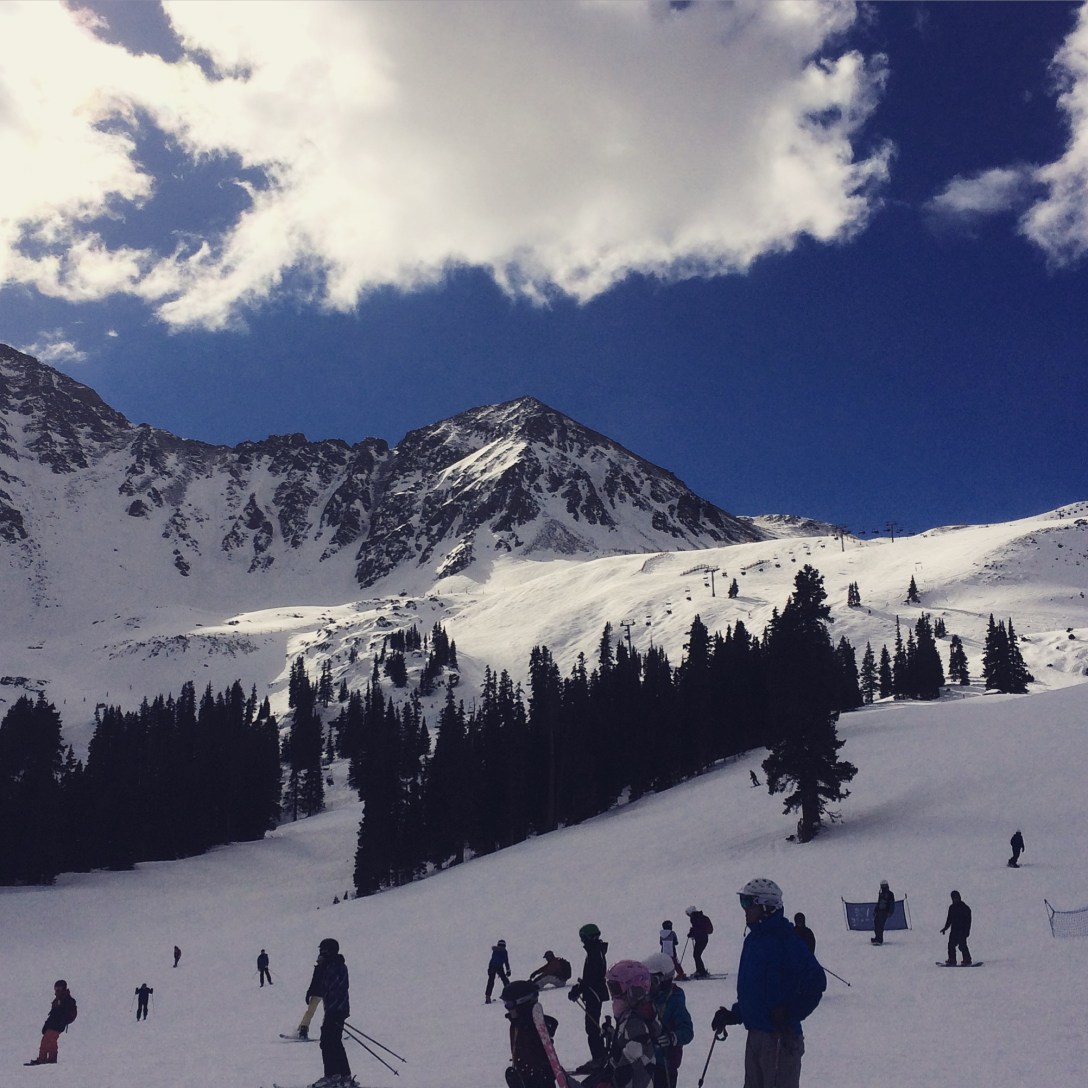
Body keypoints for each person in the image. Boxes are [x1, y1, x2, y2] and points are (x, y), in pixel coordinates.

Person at [711, 878, 826, 1088]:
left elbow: (816, 980)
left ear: (766, 906)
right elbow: (756, 989)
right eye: (743, 902)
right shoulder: (752, 941)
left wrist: (790, 1013)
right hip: (756, 1035)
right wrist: (735, 1014)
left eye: (748, 903)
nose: (744, 909)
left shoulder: (786, 940)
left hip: (780, 1036)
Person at [601, 960, 659, 1088]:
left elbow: (629, 1063)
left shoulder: (636, 1023)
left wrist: (611, 1084)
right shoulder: (629, 1017)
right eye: (610, 988)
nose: (613, 996)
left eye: (615, 988)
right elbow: (621, 1048)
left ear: (634, 990)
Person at [307, 937, 352, 1088]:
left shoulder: (333, 966)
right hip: (339, 1008)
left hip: (335, 1009)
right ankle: (344, 1075)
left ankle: (332, 1075)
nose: (320, 953)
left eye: (322, 950)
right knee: (335, 1042)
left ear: (328, 951)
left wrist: (320, 968)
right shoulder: (337, 964)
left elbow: (325, 985)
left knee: (327, 1042)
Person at [644, 953, 693, 1088]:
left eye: (652, 980)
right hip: (645, 1061)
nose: (648, 985)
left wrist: (672, 1037)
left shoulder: (674, 1000)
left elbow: (687, 1031)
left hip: (665, 1064)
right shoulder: (647, 998)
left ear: (663, 980)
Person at [501, 979, 559, 1088]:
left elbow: (541, 1056)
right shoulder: (516, 1024)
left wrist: (539, 1075)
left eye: (509, 1004)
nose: (507, 1008)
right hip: (526, 1077)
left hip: (539, 1079)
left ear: (523, 1003)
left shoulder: (533, 1026)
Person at [568, 922, 609, 1073]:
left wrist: (580, 988)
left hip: (594, 994)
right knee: (592, 1026)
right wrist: (580, 987)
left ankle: (599, 1059)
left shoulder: (595, 953)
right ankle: (600, 1056)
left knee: (592, 1027)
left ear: (590, 938)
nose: (582, 942)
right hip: (593, 993)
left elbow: (593, 977)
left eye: (583, 938)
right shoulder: (595, 951)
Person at [27, 980, 77, 1065]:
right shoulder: (57, 1000)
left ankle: (42, 1058)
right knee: (51, 1040)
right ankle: (51, 1059)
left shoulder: (68, 1000)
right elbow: (52, 1014)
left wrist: (62, 1022)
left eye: (58, 989)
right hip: (53, 1024)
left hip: (58, 1025)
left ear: (63, 989)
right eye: (55, 989)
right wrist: (46, 1024)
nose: (56, 991)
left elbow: (68, 1014)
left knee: (46, 1040)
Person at [940, 890, 973, 965]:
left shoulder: (965, 908)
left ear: (959, 897)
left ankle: (967, 959)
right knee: (951, 945)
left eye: (956, 898)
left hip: (962, 931)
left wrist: (967, 932)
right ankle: (952, 959)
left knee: (962, 945)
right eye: (953, 898)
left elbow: (968, 922)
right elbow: (949, 920)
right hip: (954, 930)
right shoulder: (951, 908)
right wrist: (945, 928)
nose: (955, 899)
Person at [685, 905, 713, 979]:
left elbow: (697, 929)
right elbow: (698, 928)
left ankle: (701, 972)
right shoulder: (701, 917)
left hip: (701, 939)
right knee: (697, 955)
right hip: (703, 938)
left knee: (696, 955)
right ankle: (700, 970)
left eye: (688, 914)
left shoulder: (695, 918)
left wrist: (691, 933)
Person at [486, 939, 511, 1004]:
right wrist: (508, 970)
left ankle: (487, 997)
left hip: (493, 966)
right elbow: (506, 961)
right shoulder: (503, 951)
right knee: (505, 980)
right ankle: (510, 993)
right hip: (497, 967)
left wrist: (490, 970)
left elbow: (494, 961)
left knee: (491, 981)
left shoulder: (495, 951)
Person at [872, 880, 895, 945]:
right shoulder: (881, 893)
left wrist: (890, 912)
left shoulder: (890, 894)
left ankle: (879, 939)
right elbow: (879, 902)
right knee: (876, 923)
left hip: (885, 911)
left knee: (880, 925)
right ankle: (877, 937)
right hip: (879, 911)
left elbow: (892, 903)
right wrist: (875, 910)